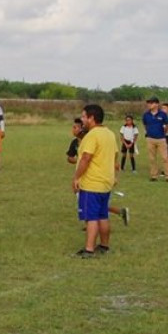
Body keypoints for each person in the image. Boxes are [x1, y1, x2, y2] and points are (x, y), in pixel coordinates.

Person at [72, 104, 118, 257]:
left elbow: (86, 158)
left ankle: (89, 249)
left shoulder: (92, 135)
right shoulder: (110, 134)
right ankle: (104, 246)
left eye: (84, 116)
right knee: (103, 215)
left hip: (92, 183)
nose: (82, 119)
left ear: (91, 118)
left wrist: (76, 177)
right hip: (106, 183)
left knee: (91, 217)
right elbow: (115, 157)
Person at [68, 116, 129, 226]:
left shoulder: (92, 138)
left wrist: (115, 176)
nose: (73, 130)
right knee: (95, 205)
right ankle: (119, 212)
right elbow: (70, 158)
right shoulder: (75, 143)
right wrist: (78, 161)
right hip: (85, 177)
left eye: (75, 127)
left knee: (94, 206)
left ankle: (92, 228)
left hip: (93, 180)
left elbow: (114, 161)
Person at [141, 97, 168, 181]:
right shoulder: (146, 114)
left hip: (161, 139)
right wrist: (149, 132)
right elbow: (145, 124)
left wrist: (163, 132)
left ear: (157, 104)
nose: (149, 105)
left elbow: (167, 125)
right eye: (148, 103)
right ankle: (153, 175)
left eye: (151, 103)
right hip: (150, 139)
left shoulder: (163, 114)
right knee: (152, 158)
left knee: (165, 158)